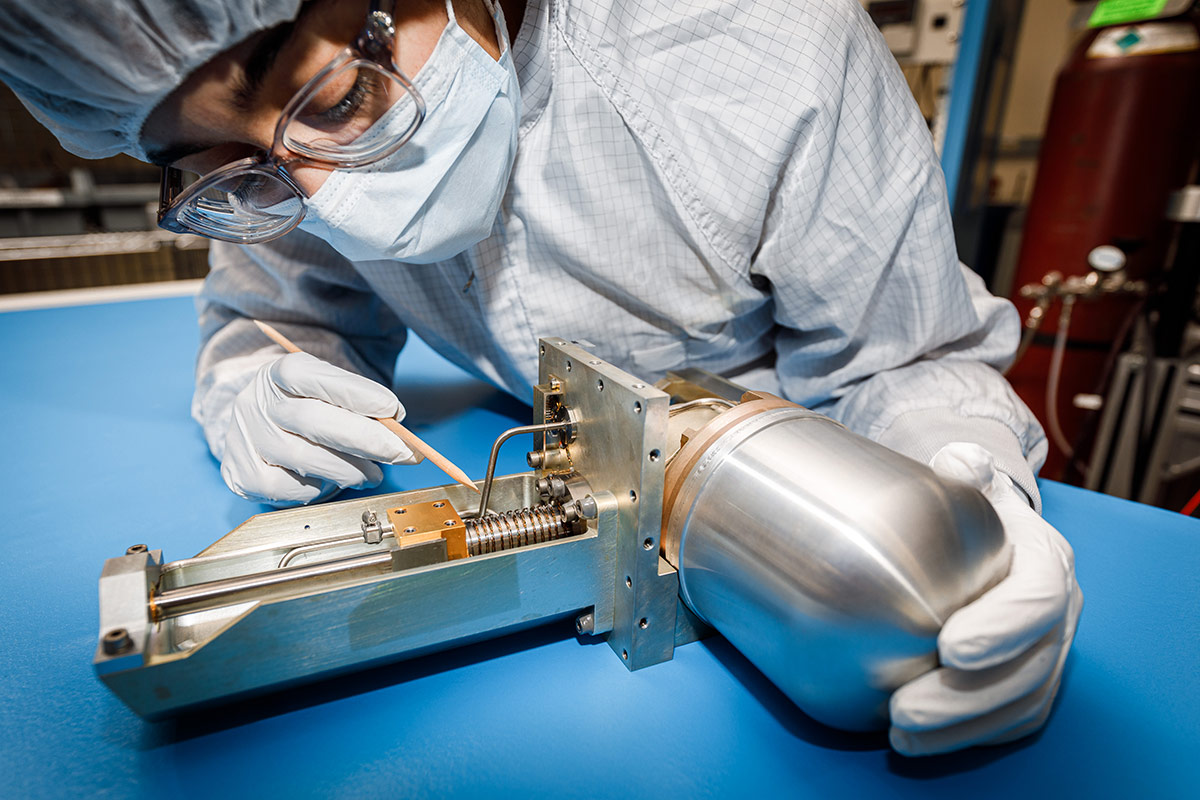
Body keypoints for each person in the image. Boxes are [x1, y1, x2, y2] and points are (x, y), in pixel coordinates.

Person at [0, 0, 1081, 757]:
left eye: (326, 94)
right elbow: (274, 310)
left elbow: (909, 357)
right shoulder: (279, 172)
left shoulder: (764, 43)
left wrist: (973, 488)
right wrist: (251, 380)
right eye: (228, 167)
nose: (318, 200)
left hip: (781, 493)